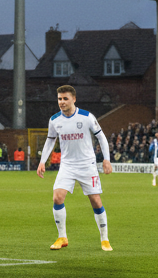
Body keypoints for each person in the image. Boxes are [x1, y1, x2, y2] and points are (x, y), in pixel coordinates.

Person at [36, 85, 114, 251]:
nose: (62, 102)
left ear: (74, 99)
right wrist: (43, 161)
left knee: (95, 200)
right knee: (57, 197)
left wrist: (106, 159)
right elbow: (50, 140)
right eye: (59, 99)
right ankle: (62, 237)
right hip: (67, 166)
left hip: (87, 165)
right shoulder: (54, 120)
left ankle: (104, 239)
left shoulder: (86, 117)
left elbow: (101, 137)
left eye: (65, 98)